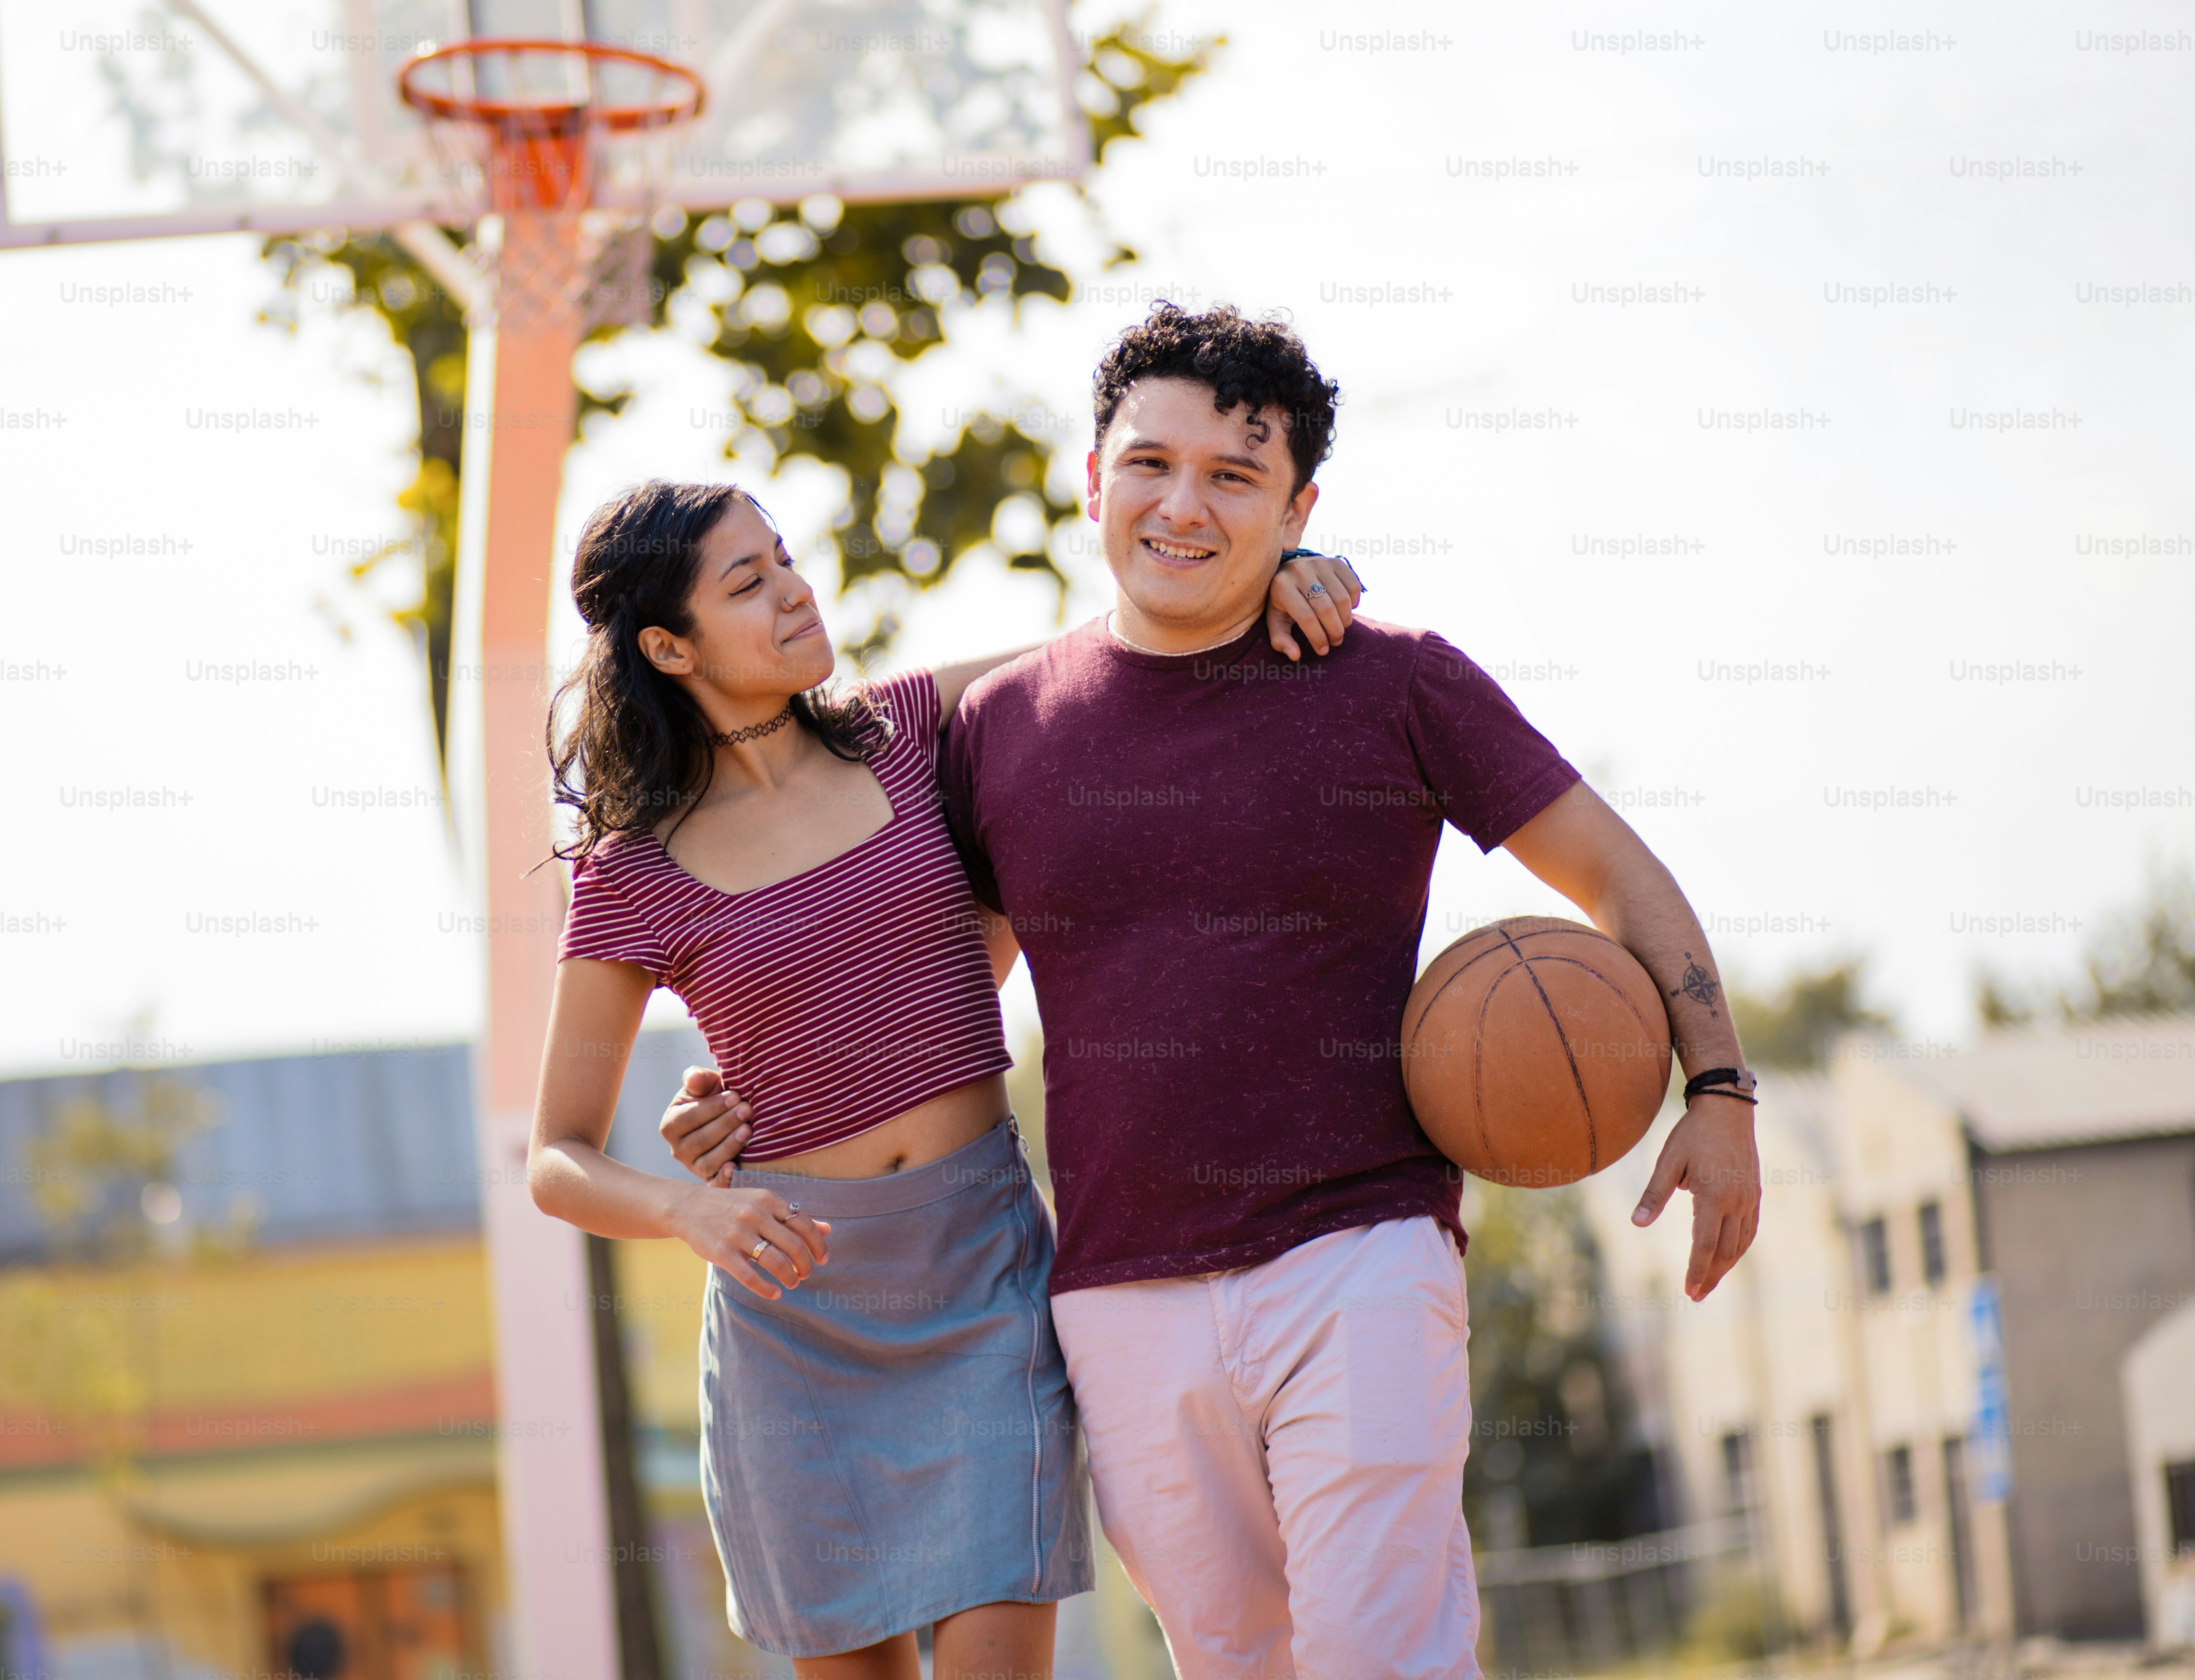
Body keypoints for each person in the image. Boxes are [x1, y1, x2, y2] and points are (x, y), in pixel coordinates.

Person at [659, 304, 1764, 1680]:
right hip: (1116, 1292)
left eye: (1235, 477)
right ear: (1091, 478)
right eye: (1150, 464)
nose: (1184, 504)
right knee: (1238, 1659)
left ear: (1298, 508)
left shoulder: (1396, 680)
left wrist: (1720, 1085)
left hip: (1360, 1248)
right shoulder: (999, 725)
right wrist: (747, 1107)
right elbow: (930, 996)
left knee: (1379, 1654)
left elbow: (1618, 872)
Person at [523, 477, 1364, 1680]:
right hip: (795, 1331)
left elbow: (1117, 654)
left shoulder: (913, 729)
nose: (796, 590)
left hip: (983, 1282)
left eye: (788, 558)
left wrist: (1268, 572)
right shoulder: (629, 875)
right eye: (747, 584)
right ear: (668, 645)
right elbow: (558, 1156)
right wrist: (691, 1208)